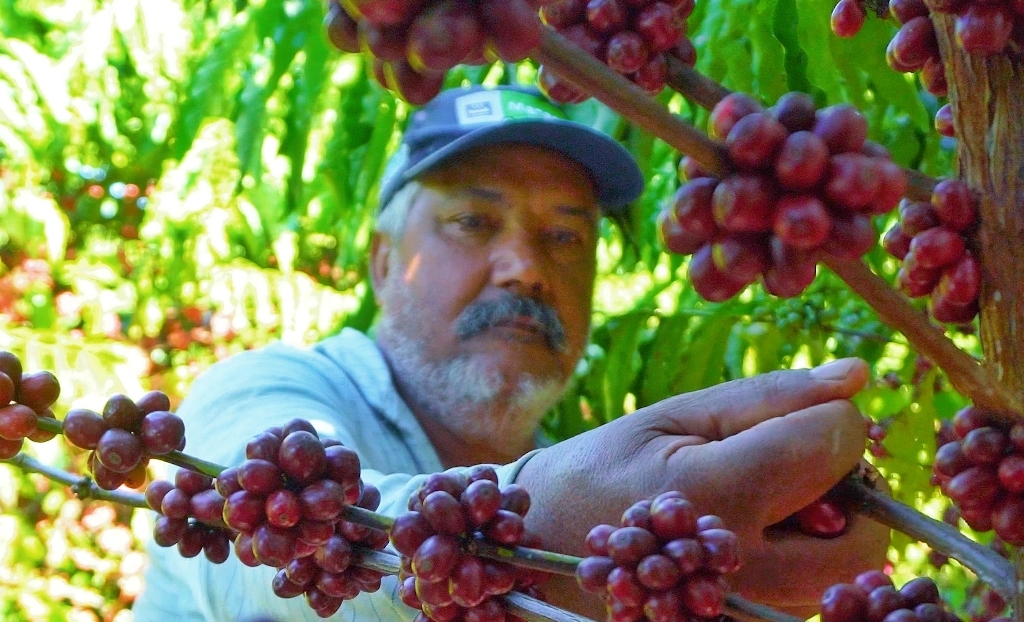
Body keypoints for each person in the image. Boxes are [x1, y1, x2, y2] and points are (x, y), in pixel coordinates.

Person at [132, 84, 888, 621]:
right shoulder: (270, 390)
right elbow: (265, 563)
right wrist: (537, 546)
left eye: (565, 236)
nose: (526, 267)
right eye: (472, 221)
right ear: (383, 262)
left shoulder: (586, 476)